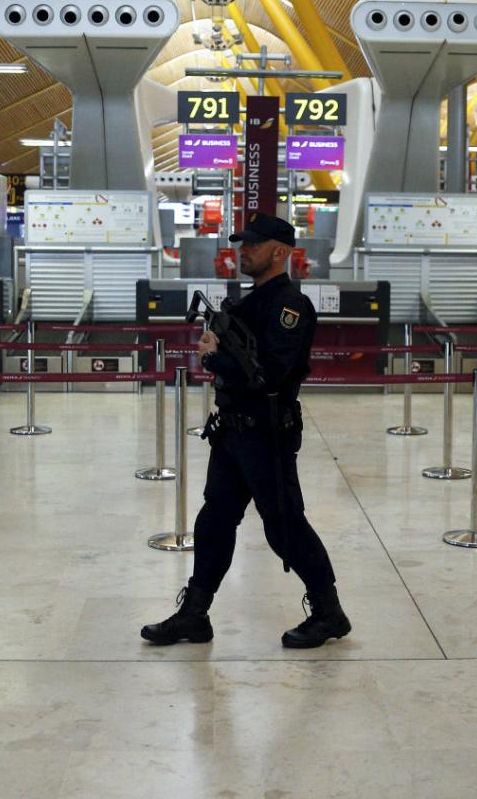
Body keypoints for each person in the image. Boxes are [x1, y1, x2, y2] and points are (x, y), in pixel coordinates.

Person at [141, 213, 347, 649]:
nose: (243, 250)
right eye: (242, 243)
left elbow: (269, 374)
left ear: (279, 251)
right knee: (214, 520)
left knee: (283, 525)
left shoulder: (289, 307)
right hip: (232, 433)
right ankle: (195, 614)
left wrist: (215, 358)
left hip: (266, 435)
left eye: (253, 244)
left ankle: (330, 613)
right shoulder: (248, 304)